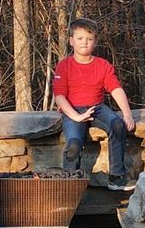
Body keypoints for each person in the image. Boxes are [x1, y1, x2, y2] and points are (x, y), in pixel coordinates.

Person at [51, 17, 138, 187]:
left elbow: (116, 89)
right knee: (74, 143)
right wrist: (76, 117)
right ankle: (69, 184)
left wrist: (127, 114)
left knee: (117, 125)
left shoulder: (103, 65)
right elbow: (59, 96)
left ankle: (116, 177)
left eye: (89, 39)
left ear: (95, 42)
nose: (85, 43)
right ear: (71, 41)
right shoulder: (64, 66)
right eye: (80, 38)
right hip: (73, 110)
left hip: (97, 108)